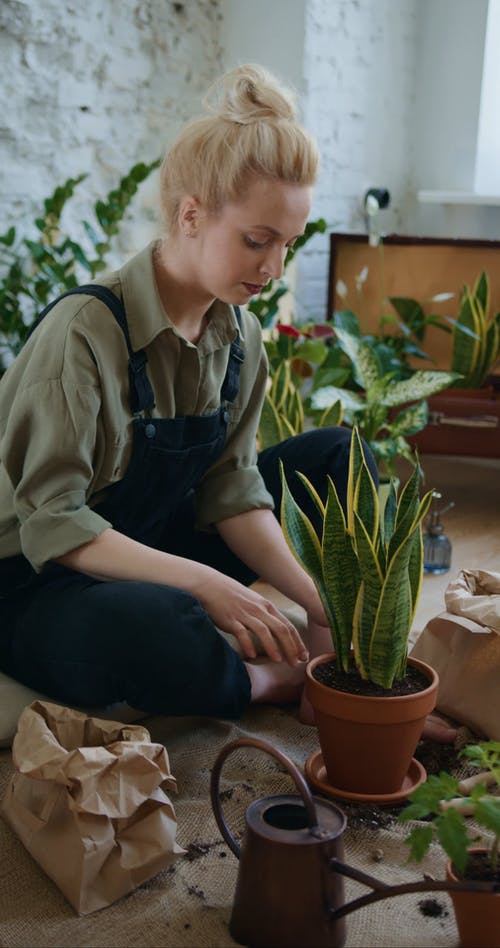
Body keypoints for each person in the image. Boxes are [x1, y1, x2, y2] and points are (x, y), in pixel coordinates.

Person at [0, 64, 455, 742]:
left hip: (148, 539)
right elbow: (55, 525)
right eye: (257, 240)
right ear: (191, 214)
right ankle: (271, 681)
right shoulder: (83, 334)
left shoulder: (238, 334)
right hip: (36, 581)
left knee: (339, 454)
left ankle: (320, 650)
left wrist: (318, 600)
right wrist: (206, 588)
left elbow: (232, 491)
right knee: (160, 626)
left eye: (287, 244)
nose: (274, 270)